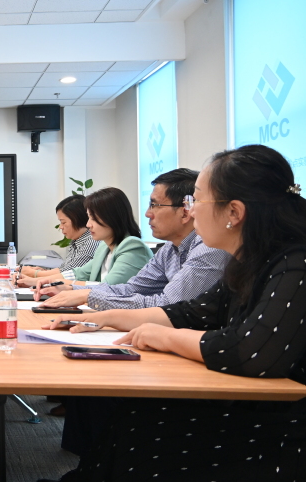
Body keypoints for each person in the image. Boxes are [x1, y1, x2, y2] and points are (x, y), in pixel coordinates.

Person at [42, 145, 306, 482]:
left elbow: (249, 350)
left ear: (234, 212)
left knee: (144, 427)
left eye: (197, 200)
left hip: (283, 426)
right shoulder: (248, 263)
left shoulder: (294, 263)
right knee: (134, 415)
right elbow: (187, 312)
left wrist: (164, 337)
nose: (191, 211)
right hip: (251, 402)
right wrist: (104, 317)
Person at [37, 169, 230, 310]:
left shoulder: (209, 248)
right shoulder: (169, 249)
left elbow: (168, 304)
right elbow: (132, 288)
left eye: (155, 205)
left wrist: (87, 295)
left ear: (185, 212)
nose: (147, 214)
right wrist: (75, 290)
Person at [19, 187, 153, 291]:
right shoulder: (104, 247)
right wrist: (38, 281)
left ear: (111, 217)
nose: (88, 224)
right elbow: (79, 273)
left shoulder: (133, 247)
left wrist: (60, 285)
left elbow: (107, 288)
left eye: (93, 218)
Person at [19, 195, 98, 278]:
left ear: (77, 219)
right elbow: (64, 268)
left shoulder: (91, 241)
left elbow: (70, 273)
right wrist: (43, 272)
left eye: (63, 222)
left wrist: (35, 274)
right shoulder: (76, 240)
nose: (60, 227)